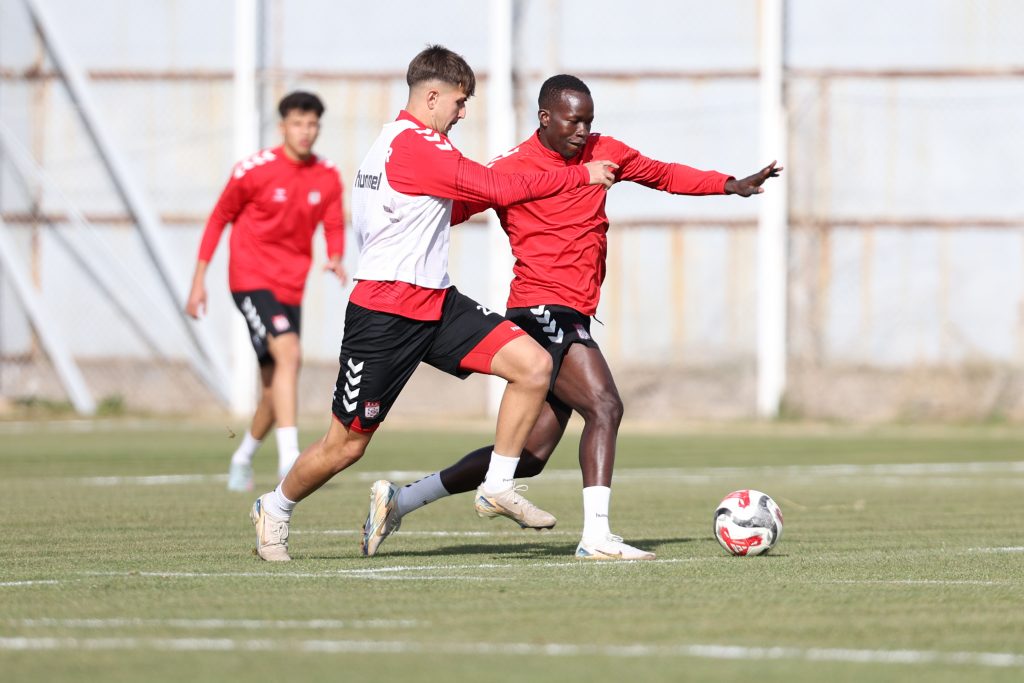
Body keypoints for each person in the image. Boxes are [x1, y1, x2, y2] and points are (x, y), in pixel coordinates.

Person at [362, 74, 783, 561]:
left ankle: (402, 500)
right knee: (605, 406)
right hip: (540, 309)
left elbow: (663, 174)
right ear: (545, 118)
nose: (583, 131)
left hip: (573, 310)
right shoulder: (510, 169)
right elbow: (447, 210)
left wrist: (728, 185)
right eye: (573, 121)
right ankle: (597, 536)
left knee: (531, 456)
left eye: (588, 121)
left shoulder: (605, 152)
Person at [248, 48, 617, 561]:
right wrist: (581, 176)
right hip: (384, 311)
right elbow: (496, 187)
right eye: (460, 103)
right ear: (433, 96)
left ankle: (497, 485)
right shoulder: (415, 145)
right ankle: (275, 506)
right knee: (346, 446)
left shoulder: (407, 143)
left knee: (533, 366)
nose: (463, 113)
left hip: (438, 303)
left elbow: (462, 200)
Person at [186, 91, 347, 492]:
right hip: (251, 279)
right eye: (298, 123)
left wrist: (335, 256)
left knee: (277, 386)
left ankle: (242, 458)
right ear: (282, 127)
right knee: (290, 353)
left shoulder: (327, 175)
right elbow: (218, 218)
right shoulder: (254, 170)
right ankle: (290, 460)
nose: (305, 131)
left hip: (291, 286)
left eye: (312, 124)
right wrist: (198, 281)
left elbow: (333, 223)